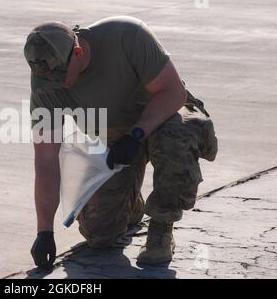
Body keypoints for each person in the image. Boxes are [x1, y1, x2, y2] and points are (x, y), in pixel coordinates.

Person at [23, 16, 218, 269]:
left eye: (61, 74)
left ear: (78, 52)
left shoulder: (127, 35)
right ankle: (130, 203)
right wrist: (44, 232)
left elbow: (173, 93)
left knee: (176, 138)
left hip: (164, 114)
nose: (57, 83)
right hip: (116, 135)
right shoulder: (45, 85)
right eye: (48, 78)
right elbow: (46, 162)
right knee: (99, 235)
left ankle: (161, 227)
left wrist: (136, 134)